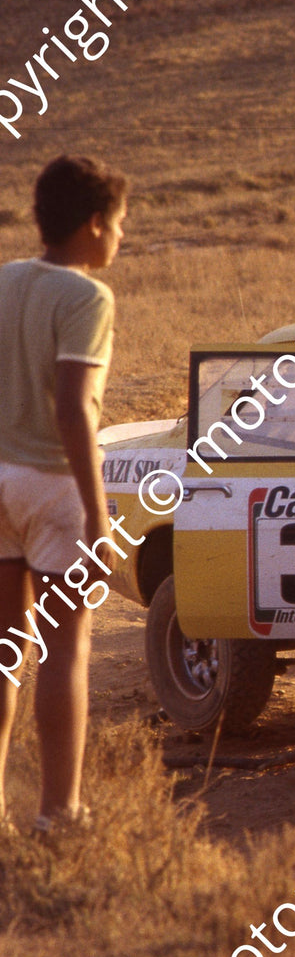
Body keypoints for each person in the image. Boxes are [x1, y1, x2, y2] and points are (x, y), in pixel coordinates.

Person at [0, 155, 128, 835]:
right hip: (53, 486)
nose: (120, 239)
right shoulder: (88, 298)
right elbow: (75, 410)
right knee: (63, 648)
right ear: (94, 224)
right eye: (120, 225)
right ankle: (59, 812)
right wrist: (100, 517)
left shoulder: (3, 280)